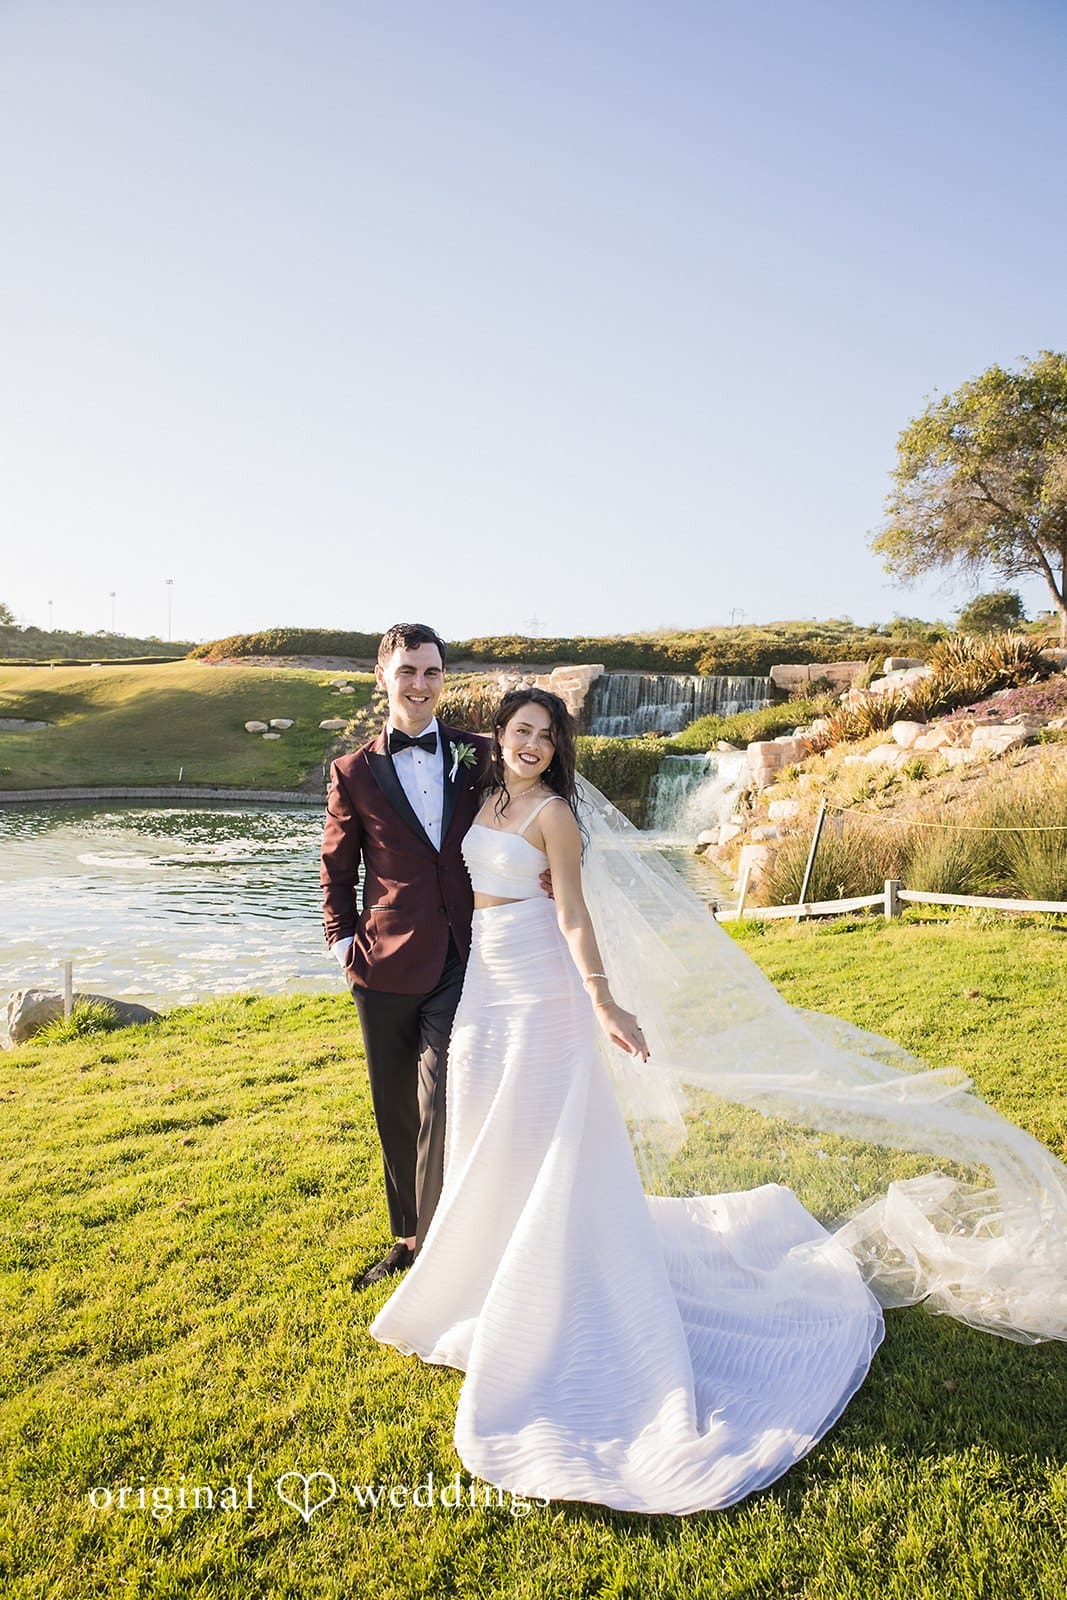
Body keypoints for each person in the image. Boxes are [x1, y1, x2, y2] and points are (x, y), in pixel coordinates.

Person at [368, 686, 1067, 1515]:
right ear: (499, 736)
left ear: (558, 749)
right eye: (520, 732)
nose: (530, 745)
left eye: (545, 737)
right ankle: (482, 1273)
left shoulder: (553, 815)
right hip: (486, 988)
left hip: (545, 996)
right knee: (488, 1138)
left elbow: (576, 919)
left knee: (547, 1140)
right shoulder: (482, 795)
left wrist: (603, 1002)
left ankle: (552, 1288)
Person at [320, 622, 491, 1288]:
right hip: (382, 962)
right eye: (408, 672)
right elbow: (336, 869)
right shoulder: (352, 770)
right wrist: (341, 943)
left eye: (431, 673)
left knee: (442, 1095)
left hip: (462, 954)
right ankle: (408, 1237)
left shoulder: (479, 754)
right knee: (394, 1106)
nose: (420, 685)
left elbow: (525, 813)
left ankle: (449, 1232)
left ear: (443, 679)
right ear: (383, 677)